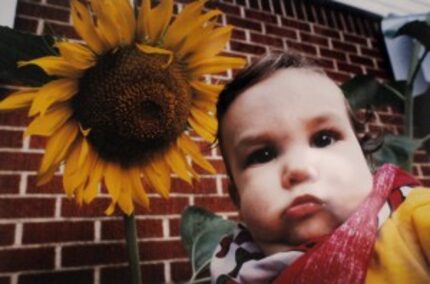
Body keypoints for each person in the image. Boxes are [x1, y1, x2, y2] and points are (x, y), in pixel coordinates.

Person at [210, 52, 430, 284]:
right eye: (263, 155)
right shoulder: (232, 272)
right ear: (237, 197)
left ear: (364, 157)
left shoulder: (415, 219)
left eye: (324, 139)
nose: (298, 168)